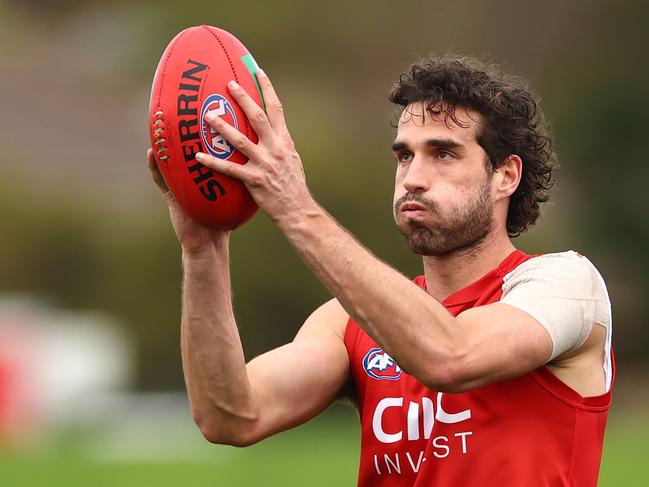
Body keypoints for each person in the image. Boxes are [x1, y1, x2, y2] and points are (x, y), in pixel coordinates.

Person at [146, 56, 613, 486]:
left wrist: (295, 206)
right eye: (405, 155)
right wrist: (203, 247)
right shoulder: (347, 322)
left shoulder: (567, 286)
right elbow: (230, 416)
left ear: (505, 176)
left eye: (443, 154)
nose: (413, 177)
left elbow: (451, 356)